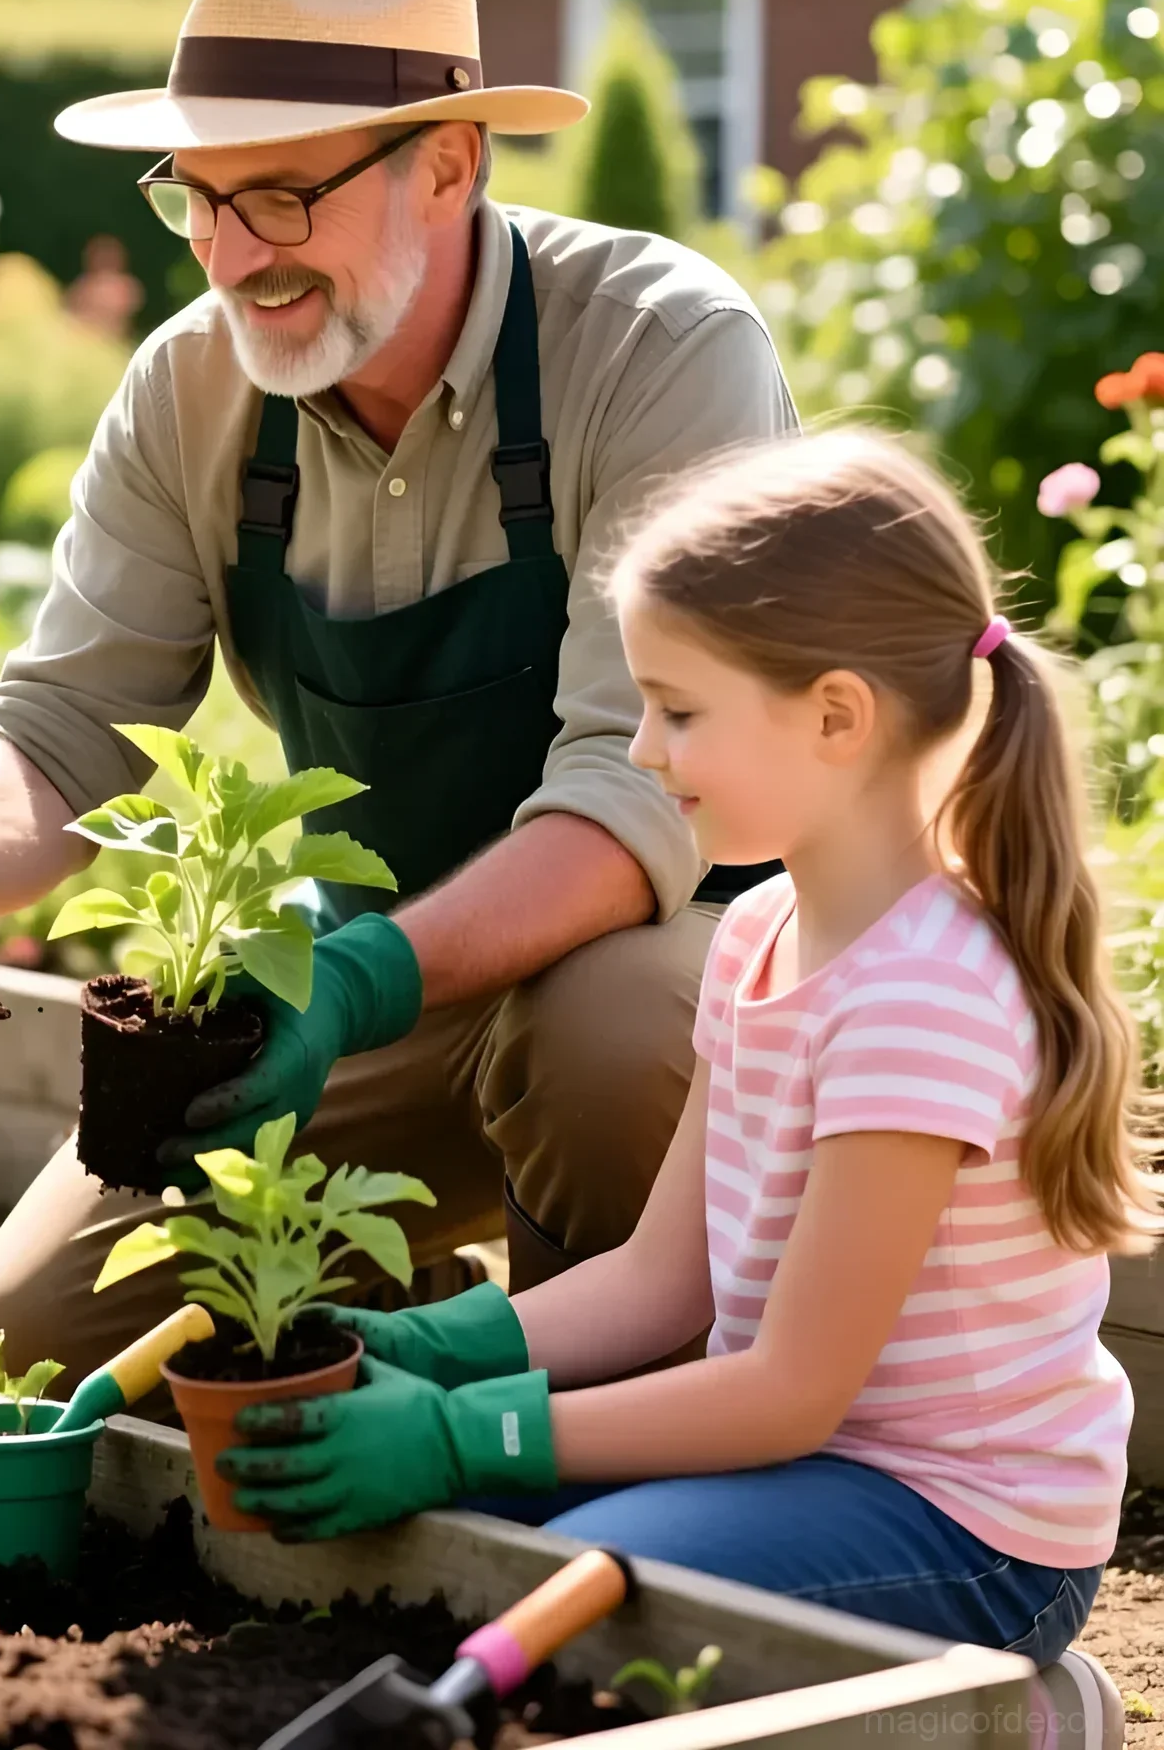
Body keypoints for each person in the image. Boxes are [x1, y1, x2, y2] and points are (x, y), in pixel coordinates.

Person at [0, 0, 796, 1370]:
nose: (231, 255)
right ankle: (380, 1326)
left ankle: (631, 1423)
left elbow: (640, 803)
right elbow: (69, 718)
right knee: (26, 1343)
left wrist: (353, 985)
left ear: (449, 163)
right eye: (195, 200)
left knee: (605, 1025)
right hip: (391, 985)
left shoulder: (655, 351)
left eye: (284, 200)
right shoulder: (193, 392)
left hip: (686, 976)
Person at [214, 428, 1157, 1665]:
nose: (643, 750)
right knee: (435, 1544)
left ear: (834, 716)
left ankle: (997, 1711)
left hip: (965, 1528)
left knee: (588, 1609)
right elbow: (665, 1279)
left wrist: (465, 1433)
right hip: (803, 1462)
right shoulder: (762, 930)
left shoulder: (920, 996)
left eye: (676, 709)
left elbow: (787, 1391)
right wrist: (426, 1349)